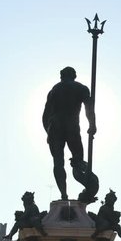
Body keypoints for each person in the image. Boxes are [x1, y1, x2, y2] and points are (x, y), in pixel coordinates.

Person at [42, 67, 97, 201]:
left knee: (58, 163)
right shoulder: (81, 88)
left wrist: (48, 132)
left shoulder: (53, 91)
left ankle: (64, 195)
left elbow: (45, 116)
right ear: (74, 76)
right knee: (78, 161)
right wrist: (92, 124)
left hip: (55, 127)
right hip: (72, 126)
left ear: (61, 76)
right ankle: (84, 181)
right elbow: (89, 109)